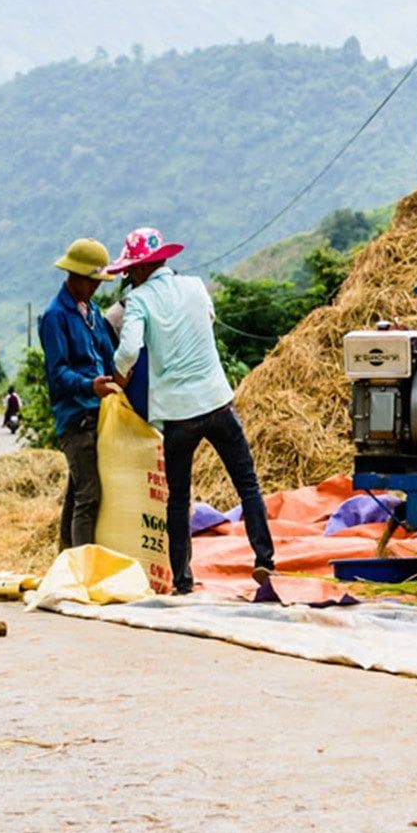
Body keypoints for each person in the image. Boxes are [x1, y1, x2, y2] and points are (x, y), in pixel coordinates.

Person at [103, 227, 276, 591]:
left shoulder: (139, 301)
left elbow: (130, 347)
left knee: (178, 498)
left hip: (178, 414)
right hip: (216, 401)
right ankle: (264, 560)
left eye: (131, 270)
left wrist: (119, 375)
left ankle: (182, 580)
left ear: (140, 269)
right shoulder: (196, 286)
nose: (130, 276)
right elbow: (208, 320)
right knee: (247, 483)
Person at [39, 237, 119, 550]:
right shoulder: (55, 316)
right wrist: (90, 386)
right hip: (76, 420)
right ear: (76, 276)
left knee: (77, 492)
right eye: (93, 281)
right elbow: (57, 375)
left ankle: (65, 559)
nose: (97, 287)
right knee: (90, 495)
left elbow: (106, 352)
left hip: (97, 415)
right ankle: (83, 566)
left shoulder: (92, 311)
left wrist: (119, 375)